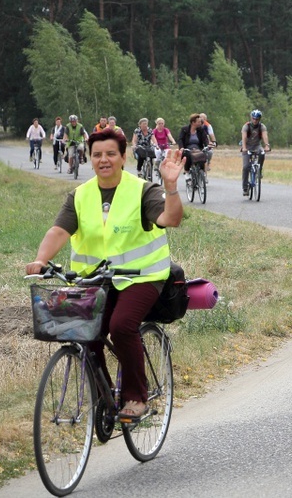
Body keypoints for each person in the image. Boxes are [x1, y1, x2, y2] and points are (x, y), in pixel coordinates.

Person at [25, 128, 185, 420]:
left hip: (143, 277)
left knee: (122, 325)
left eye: (111, 153)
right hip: (97, 280)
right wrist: (40, 260)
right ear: (89, 158)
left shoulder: (142, 190)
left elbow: (170, 218)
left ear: (123, 157)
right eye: (97, 154)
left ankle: (136, 396)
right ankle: (105, 397)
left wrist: (171, 187)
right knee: (84, 331)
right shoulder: (80, 195)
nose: (104, 160)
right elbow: (59, 230)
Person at [241, 109, 271, 195]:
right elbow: (244, 138)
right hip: (247, 146)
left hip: (257, 145)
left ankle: (259, 170)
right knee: (246, 166)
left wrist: (267, 145)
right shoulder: (246, 126)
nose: (255, 120)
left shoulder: (262, 126)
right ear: (251, 118)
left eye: (257, 119)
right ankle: (245, 188)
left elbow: (265, 136)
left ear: (259, 119)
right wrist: (244, 147)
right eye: (253, 118)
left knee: (262, 153)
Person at [178, 113, 212, 180]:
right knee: (187, 155)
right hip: (187, 148)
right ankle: (187, 172)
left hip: (198, 148)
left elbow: (205, 139)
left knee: (203, 154)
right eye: (199, 122)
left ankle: (202, 172)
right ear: (193, 122)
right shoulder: (184, 129)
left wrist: (208, 145)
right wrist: (181, 147)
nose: (200, 123)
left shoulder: (201, 130)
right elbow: (180, 139)